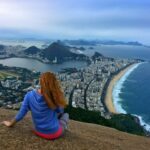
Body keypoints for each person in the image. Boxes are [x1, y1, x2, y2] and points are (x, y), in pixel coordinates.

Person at [2, 72, 69, 140]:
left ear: (40, 82)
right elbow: (60, 111)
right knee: (66, 115)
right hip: (55, 133)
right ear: (54, 83)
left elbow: (21, 113)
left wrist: (10, 124)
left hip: (38, 131)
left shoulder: (29, 95)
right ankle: (64, 127)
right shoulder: (54, 96)